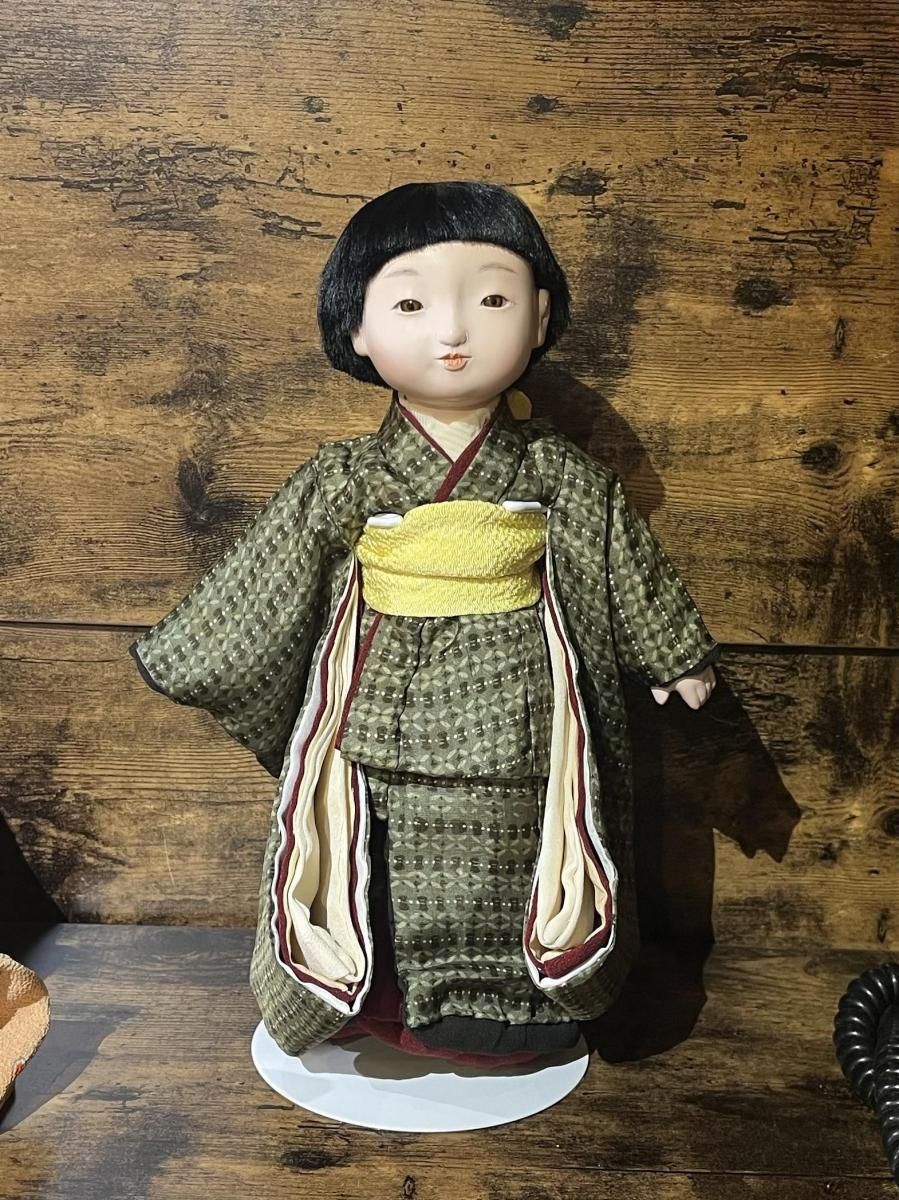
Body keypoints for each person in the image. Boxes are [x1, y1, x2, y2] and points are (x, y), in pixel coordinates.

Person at [129, 180, 720, 1069]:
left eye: (492, 301)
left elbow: (613, 553)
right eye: (409, 304)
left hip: (521, 706)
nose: (452, 331)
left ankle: (509, 1008)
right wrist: (192, 654)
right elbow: (274, 567)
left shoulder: (558, 473)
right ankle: (387, 999)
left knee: (514, 861)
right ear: (358, 330)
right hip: (384, 701)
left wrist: (671, 650)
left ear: (538, 315)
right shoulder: (347, 475)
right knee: (381, 861)